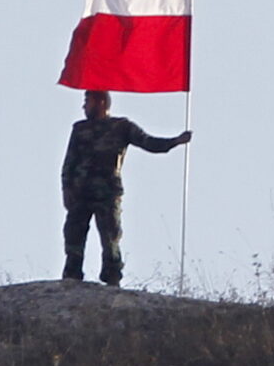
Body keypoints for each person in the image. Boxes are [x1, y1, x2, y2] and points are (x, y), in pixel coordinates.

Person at [58, 89, 191, 286]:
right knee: (73, 234)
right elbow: (69, 162)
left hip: (107, 192)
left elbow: (149, 142)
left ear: (101, 102)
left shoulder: (121, 127)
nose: (84, 106)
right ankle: (72, 275)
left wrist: (175, 141)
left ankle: (112, 277)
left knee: (110, 236)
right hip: (80, 193)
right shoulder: (80, 129)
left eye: (88, 101)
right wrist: (66, 188)